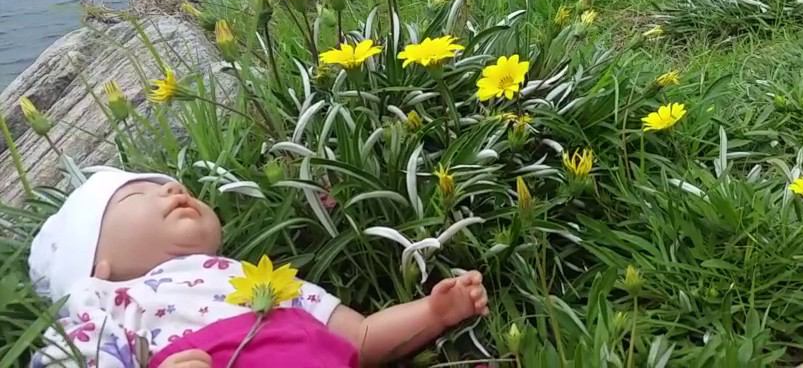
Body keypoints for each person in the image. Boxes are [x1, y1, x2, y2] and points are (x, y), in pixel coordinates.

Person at [28, 170, 489, 367]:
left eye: (172, 185)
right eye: (136, 194)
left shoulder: (258, 279)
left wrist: (434, 313)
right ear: (97, 266)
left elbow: (359, 336)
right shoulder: (100, 305)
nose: (172, 189)